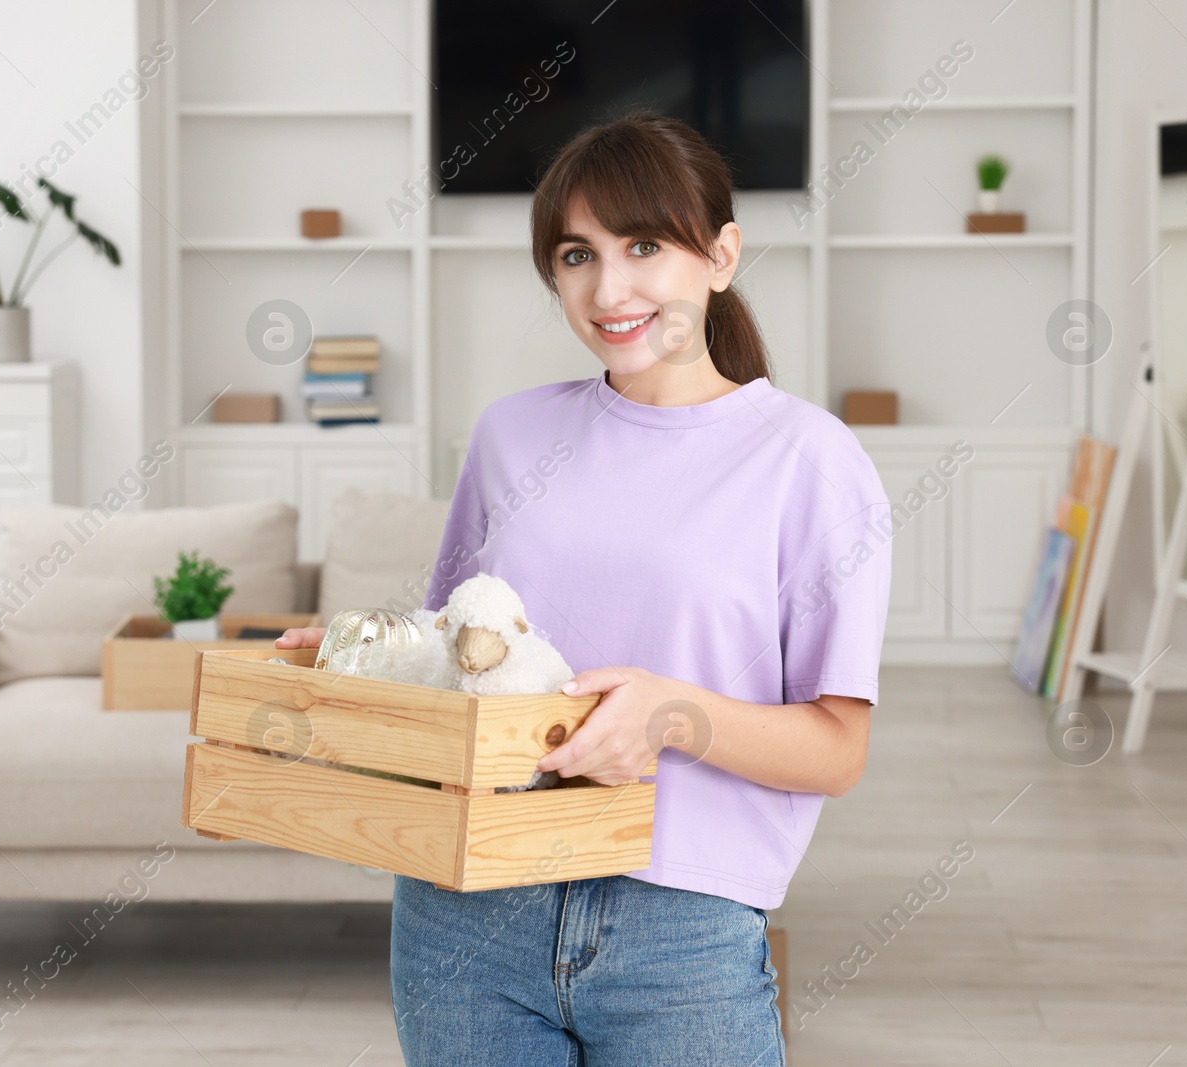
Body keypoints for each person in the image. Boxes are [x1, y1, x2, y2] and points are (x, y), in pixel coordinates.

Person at [276, 109, 892, 1067]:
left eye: (644, 244)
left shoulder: (811, 462)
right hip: (466, 911)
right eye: (576, 254)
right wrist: (355, 660)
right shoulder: (511, 436)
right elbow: (459, 658)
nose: (609, 288)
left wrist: (673, 713)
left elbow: (838, 749)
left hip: (679, 928)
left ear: (721, 256)